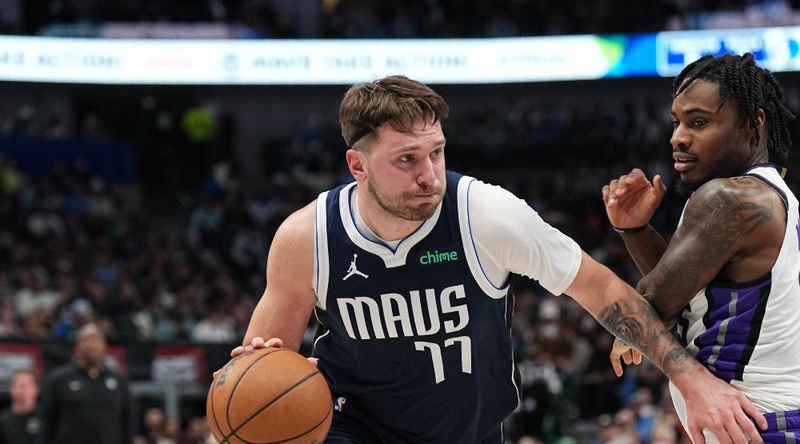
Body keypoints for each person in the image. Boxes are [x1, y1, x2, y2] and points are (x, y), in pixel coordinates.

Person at [232, 74, 766, 444]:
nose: (430, 175)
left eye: (437, 152)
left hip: (470, 430)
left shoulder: (484, 214)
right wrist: (253, 371)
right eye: (407, 159)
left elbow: (603, 289)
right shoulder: (308, 236)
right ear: (358, 165)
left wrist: (694, 383)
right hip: (356, 425)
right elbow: (261, 365)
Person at [602, 53, 800, 443]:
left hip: (756, 426)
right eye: (676, 122)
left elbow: (646, 308)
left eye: (698, 122)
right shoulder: (770, 194)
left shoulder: (732, 199)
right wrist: (636, 229)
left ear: (752, 123)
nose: (677, 136)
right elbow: (687, 295)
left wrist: (630, 321)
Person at [38, 322, 133, 444]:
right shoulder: (58, 379)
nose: (91, 345)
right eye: (86, 340)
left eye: (95, 340)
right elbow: (46, 422)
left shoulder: (120, 381)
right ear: (77, 346)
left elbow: (128, 422)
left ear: (104, 346)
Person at [0, 370, 40, 444]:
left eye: (24, 386)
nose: (20, 391)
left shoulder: (45, 417)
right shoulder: (3, 420)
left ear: (36, 388)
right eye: (15, 386)